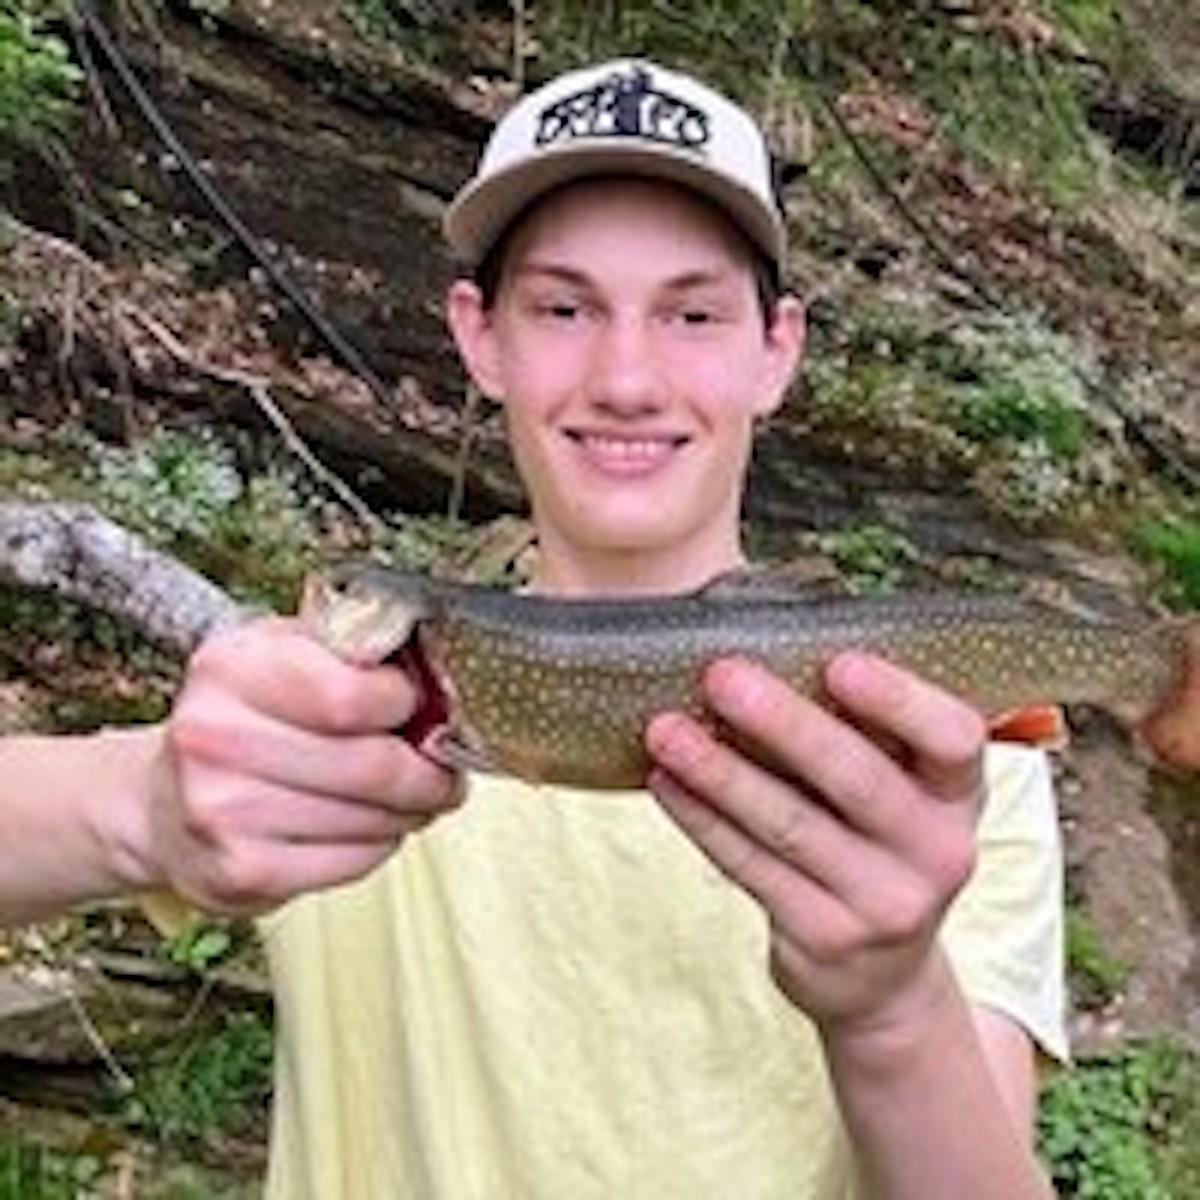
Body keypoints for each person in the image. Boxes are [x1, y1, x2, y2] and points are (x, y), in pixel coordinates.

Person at [0, 58, 1065, 1198]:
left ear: (779, 350)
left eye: (693, 313)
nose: (626, 376)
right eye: (563, 307)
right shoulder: (340, 715)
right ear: (478, 335)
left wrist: (891, 1003)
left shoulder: (939, 765)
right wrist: (143, 806)